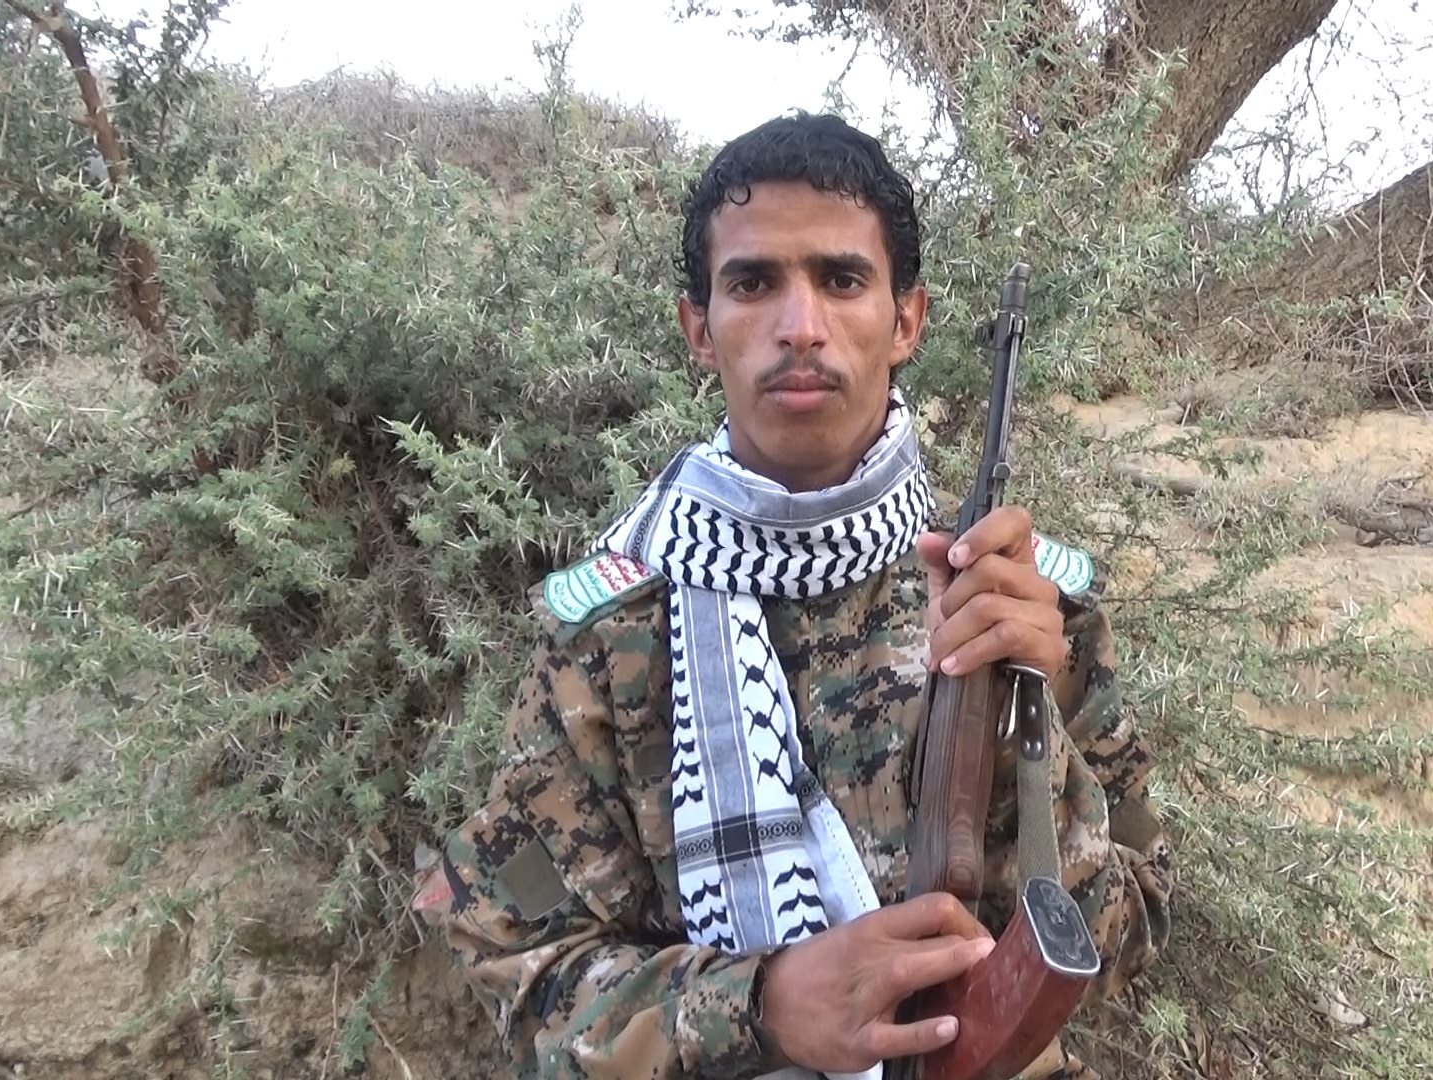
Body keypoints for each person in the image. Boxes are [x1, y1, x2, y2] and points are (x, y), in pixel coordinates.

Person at [424, 112, 1172, 1079]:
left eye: (843, 279)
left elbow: (1134, 926)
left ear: (906, 321)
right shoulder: (608, 641)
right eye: (752, 283)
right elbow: (518, 965)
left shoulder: (1027, 604)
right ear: (700, 330)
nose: (800, 326)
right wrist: (759, 1006)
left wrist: (1028, 736)